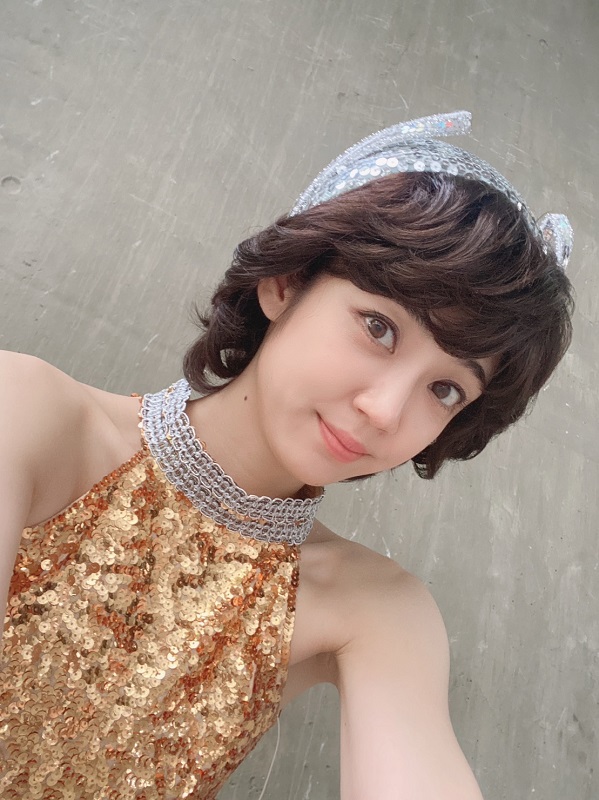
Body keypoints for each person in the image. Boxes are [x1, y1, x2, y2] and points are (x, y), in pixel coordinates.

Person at [0, 112, 573, 800]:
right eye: (379, 327)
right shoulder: (26, 413)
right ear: (285, 282)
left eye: (445, 389)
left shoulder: (376, 610)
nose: (386, 411)